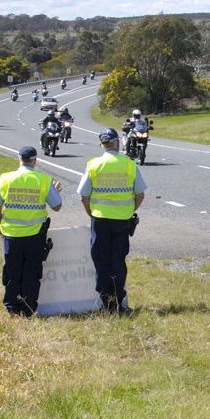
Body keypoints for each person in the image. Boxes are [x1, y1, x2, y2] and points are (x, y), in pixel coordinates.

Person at [78, 128, 147, 313]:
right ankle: (118, 299)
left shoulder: (94, 165)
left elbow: (83, 196)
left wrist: (90, 212)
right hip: (122, 221)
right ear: (117, 143)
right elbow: (140, 195)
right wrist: (128, 209)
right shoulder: (129, 164)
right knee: (118, 260)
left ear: (102, 144)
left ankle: (106, 301)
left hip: (100, 219)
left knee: (101, 260)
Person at [0, 146, 62, 316]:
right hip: (34, 235)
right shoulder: (43, 179)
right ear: (35, 161)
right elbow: (57, 206)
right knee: (31, 271)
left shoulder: (5, 179)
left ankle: (12, 308)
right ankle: (28, 309)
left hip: (11, 235)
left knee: (12, 272)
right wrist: (55, 190)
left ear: (19, 159)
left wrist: (1, 226)